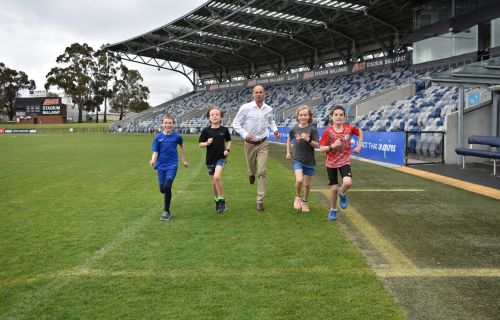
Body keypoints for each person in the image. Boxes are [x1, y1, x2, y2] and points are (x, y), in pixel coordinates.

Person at [232, 85, 280, 212]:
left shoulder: (268, 109)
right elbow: (235, 123)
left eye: (261, 92)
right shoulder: (245, 108)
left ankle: (260, 200)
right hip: (249, 143)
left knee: (262, 171)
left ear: (264, 94)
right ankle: (251, 173)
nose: (259, 94)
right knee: (252, 169)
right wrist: (245, 134)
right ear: (253, 94)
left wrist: (275, 130)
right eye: (256, 92)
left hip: (263, 143)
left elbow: (271, 121)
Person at [319, 106, 363, 221]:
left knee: (347, 182)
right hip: (331, 162)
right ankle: (333, 210)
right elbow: (322, 148)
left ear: (344, 117)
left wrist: (359, 146)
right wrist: (332, 146)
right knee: (333, 189)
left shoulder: (349, 129)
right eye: (336, 115)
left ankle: (342, 193)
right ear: (331, 117)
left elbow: (360, 132)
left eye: (341, 115)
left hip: (344, 160)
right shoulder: (328, 131)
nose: (338, 117)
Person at [149, 114, 188, 221]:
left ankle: (166, 211)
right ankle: (166, 192)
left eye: (170, 123)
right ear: (162, 124)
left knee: (167, 186)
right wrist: (153, 159)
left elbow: (182, 146)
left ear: (173, 124)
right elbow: (155, 151)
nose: (168, 125)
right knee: (163, 189)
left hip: (172, 164)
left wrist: (184, 160)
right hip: (161, 165)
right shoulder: (158, 137)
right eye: (166, 123)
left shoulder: (177, 137)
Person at [286, 105, 319, 213]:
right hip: (298, 159)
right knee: (299, 180)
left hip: (309, 160)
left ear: (309, 116)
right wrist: (288, 152)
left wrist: (308, 139)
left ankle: (305, 201)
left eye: (305, 115)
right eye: (301, 115)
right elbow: (289, 139)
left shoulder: (312, 129)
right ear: (297, 116)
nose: (303, 117)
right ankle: (298, 197)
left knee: (307, 184)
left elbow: (316, 145)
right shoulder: (294, 128)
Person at [198, 106, 232, 213]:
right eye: (212, 115)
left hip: (221, 158)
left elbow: (229, 141)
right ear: (209, 118)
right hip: (210, 159)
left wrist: (227, 149)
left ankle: (221, 200)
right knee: (213, 182)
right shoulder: (206, 131)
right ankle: (217, 200)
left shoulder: (224, 130)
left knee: (217, 177)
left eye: (217, 114)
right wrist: (206, 143)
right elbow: (200, 144)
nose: (215, 116)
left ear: (221, 117)